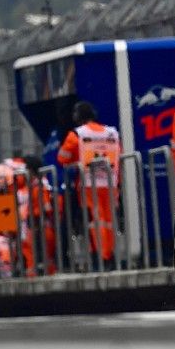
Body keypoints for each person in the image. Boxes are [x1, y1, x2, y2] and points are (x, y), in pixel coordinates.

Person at [57, 101, 121, 264]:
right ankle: (109, 254)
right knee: (109, 220)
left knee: (95, 220)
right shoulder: (112, 133)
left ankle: (100, 255)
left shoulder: (77, 134)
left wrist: (76, 159)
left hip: (88, 183)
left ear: (77, 117)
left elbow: (62, 157)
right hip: (110, 182)